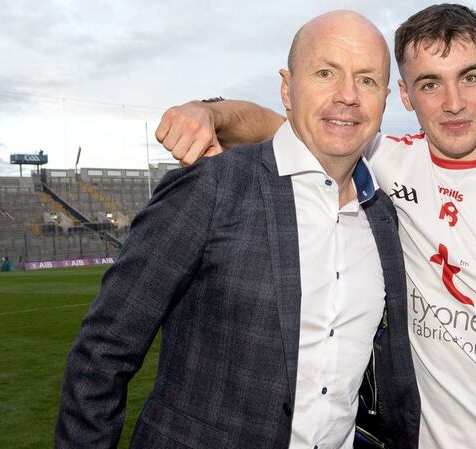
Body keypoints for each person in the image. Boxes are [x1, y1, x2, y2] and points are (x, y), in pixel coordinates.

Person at [156, 4, 476, 448]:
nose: (454, 103)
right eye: (429, 84)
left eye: (470, 76)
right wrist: (208, 112)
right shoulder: (382, 159)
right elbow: (272, 124)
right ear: (404, 94)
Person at [56, 11, 420, 449]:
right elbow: (101, 354)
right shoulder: (212, 185)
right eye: (325, 73)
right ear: (288, 88)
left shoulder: (382, 216)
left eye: (366, 80)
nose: (347, 96)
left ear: (384, 97)